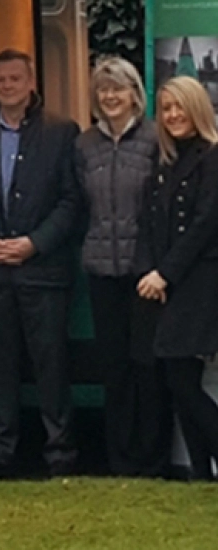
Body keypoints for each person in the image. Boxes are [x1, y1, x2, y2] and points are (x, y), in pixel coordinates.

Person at [0, 48, 81, 479]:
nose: (7, 86)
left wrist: (35, 243)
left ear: (32, 82)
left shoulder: (62, 132)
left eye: (15, 78)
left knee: (51, 366)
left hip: (43, 272)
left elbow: (71, 201)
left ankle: (60, 455)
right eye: (1, 79)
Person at [75, 58, 171, 477]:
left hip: (144, 273)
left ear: (135, 93)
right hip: (101, 270)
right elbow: (80, 204)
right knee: (113, 369)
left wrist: (158, 266)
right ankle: (120, 460)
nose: (110, 97)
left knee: (147, 367)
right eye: (102, 89)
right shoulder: (85, 144)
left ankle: (153, 459)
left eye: (118, 88)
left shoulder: (156, 139)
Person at [137, 76, 218, 480]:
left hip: (201, 281)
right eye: (166, 109)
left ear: (197, 107)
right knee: (179, 379)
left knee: (183, 382)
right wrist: (154, 272)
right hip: (170, 281)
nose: (172, 116)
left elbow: (205, 225)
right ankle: (201, 475)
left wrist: (164, 274)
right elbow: (153, 223)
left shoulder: (212, 156)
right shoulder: (164, 161)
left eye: (179, 107)